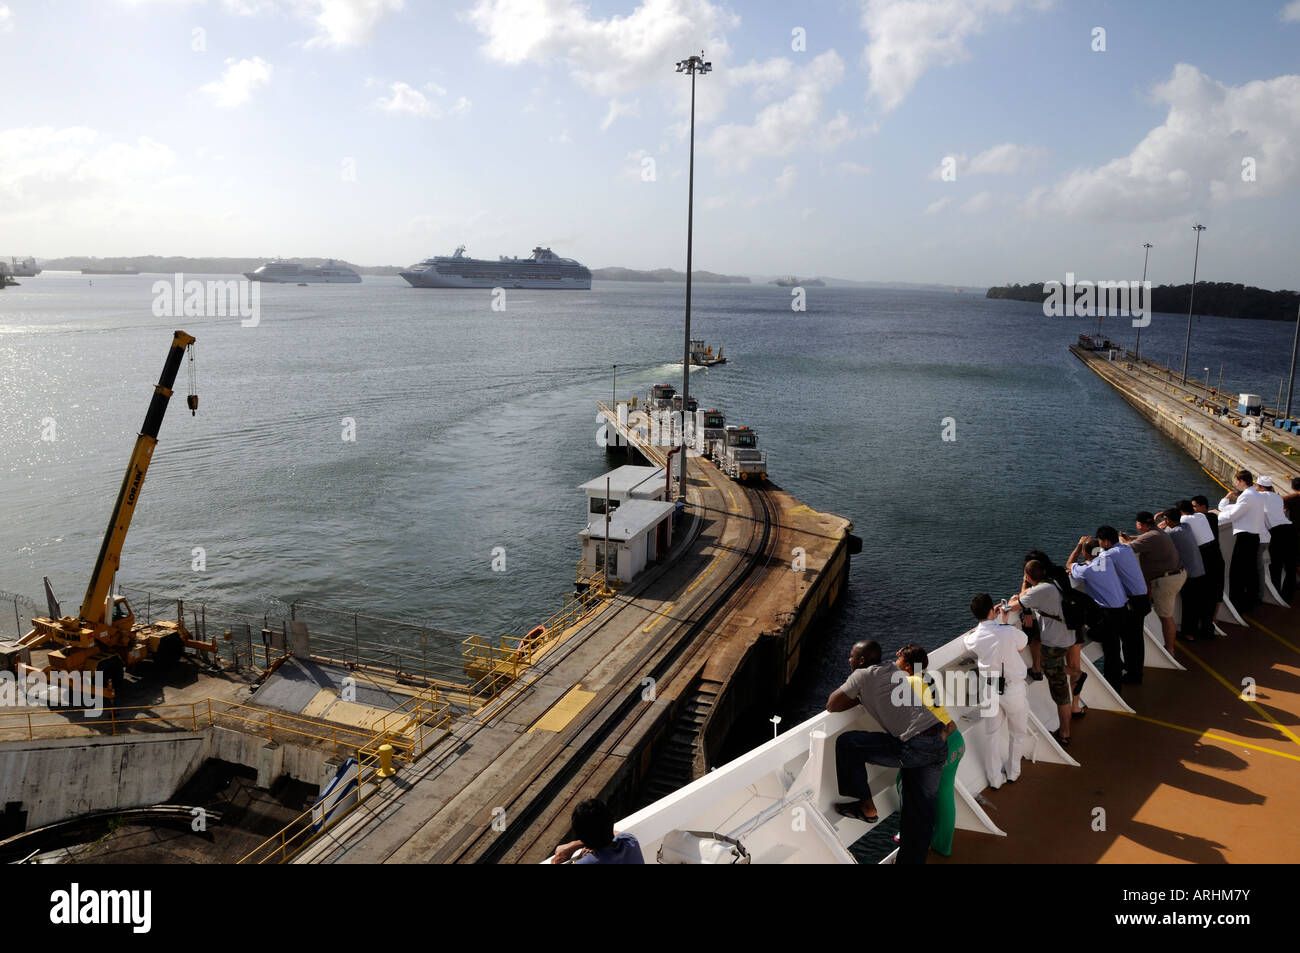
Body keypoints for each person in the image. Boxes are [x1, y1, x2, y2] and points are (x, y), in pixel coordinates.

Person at [826, 639, 949, 865]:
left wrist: (859, 695)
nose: (849, 659)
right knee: (919, 813)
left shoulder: (861, 675)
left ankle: (866, 806)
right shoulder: (894, 669)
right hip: (938, 741)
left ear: (861, 660)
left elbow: (831, 705)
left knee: (848, 743)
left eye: (852, 656)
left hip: (914, 746)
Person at [892, 644, 964, 856]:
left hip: (939, 744)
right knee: (944, 794)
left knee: (905, 785)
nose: (895, 661)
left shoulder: (910, 681)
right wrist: (904, 657)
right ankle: (942, 844)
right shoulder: (926, 677)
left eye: (898, 660)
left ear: (906, 667)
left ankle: (914, 836)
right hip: (955, 740)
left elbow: (885, 684)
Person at [962, 594, 1028, 788]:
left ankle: (995, 780)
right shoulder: (1007, 631)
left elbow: (972, 639)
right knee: (1017, 733)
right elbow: (1022, 646)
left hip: (990, 689)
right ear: (994, 610)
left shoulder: (973, 638)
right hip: (1013, 688)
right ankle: (1013, 773)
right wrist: (1004, 622)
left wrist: (991, 622)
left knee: (992, 735)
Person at [1006, 560, 1074, 746]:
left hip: (1054, 643)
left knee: (1060, 692)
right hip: (1068, 638)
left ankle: (1065, 733)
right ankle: (1075, 673)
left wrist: (1023, 585)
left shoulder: (1039, 590)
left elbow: (1014, 604)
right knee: (1060, 678)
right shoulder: (1054, 583)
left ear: (1028, 576)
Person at [1068, 534, 1131, 693]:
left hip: (1110, 614)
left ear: (1085, 553)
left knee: (1111, 651)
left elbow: (1070, 565)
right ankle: (1122, 670)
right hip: (1123, 609)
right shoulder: (1108, 560)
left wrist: (1078, 546)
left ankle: (1114, 688)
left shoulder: (1088, 570)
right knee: (1115, 645)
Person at [1121, 512, 1185, 655]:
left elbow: (1126, 549)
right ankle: (1169, 647)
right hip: (1175, 575)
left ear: (1140, 524)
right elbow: (1144, 539)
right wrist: (1131, 538)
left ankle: (1170, 650)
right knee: (1165, 614)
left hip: (1166, 581)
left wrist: (1121, 540)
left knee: (1166, 617)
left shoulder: (1150, 536)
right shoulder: (1157, 532)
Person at [1094, 526, 1151, 685]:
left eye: (1100, 541)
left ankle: (1132, 675)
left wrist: (1086, 550)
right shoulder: (1125, 549)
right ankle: (1135, 672)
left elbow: (1095, 564)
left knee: (1129, 640)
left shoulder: (1109, 555)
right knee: (1136, 639)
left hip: (1133, 601)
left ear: (1105, 541)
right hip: (1143, 598)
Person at [1217, 469, 1268, 613]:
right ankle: (1250, 602)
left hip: (1245, 538)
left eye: (1236, 482)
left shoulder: (1247, 496)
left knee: (1238, 572)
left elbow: (1233, 514)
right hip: (1254, 537)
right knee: (1250, 572)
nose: (1236, 485)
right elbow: (1236, 510)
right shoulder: (1256, 495)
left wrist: (1216, 516)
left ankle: (1237, 604)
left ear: (1241, 481)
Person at [1159, 508, 1209, 641]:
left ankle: (1189, 634)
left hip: (1191, 574)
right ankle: (1197, 630)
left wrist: (1155, 520)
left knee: (1189, 606)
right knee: (1196, 604)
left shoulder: (1173, 533)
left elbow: (1157, 536)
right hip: (1200, 570)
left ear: (1168, 520)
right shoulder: (1186, 527)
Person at [550, 798, 644, 864]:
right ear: (612, 820)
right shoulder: (630, 841)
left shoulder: (586, 862)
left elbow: (570, 862)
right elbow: (614, 832)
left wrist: (558, 858)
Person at [1179, 498, 1224, 633]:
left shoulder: (1186, 520)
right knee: (1213, 594)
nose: (1194, 509)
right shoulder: (1208, 517)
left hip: (1204, 561)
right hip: (1216, 558)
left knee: (1197, 595)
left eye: (1195, 506)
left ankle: (1194, 630)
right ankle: (1209, 625)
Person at [1258, 476, 1297, 599]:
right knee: (1290, 564)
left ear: (1263, 488)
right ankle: (1288, 594)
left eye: (1258, 487)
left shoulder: (1261, 496)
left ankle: (1276, 595)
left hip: (1278, 532)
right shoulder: (1277, 497)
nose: (1256, 489)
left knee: (1276, 565)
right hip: (1290, 530)